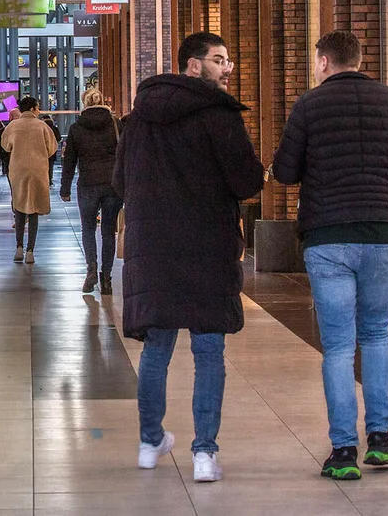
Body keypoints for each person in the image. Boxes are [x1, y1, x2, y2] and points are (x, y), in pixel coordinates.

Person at [113, 31, 266, 483]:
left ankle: (149, 442)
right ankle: (204, 454)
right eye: (219, 60)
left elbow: (121, 182)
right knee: (208, 349)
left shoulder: (137, 120)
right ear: (194, 66)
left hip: (153, 249)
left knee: (156, 349)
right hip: (207, 246)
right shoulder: (220, 117)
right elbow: (246, 182)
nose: (227, 68)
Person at [272, 30, 388, 480]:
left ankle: (342, 451)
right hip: (381, 231)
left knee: (338, 346)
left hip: (328, 235)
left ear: (322, 61)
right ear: (360, 59)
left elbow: (284, 170)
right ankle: (381, 440)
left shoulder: (309, 106)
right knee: (376, 335)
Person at [60, 87, 120, 296]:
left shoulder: (77, 128)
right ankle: (107, 279)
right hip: (112, 185)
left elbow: (69, 161)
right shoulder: (115, 125)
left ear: (85, 104)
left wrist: (64, 188)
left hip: (87, 184)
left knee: (87, 229)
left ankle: (91, 269)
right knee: (108, 231)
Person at [0, 97, 57, 264]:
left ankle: (18, 247)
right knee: (34, 210)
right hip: (38, 170)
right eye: (38, 107)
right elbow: (52, 148)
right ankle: (30, 250)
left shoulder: (13, 126)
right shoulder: (43, 126)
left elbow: (5, 146)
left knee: (19, 207)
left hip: (18, 170)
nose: (39, 110)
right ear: (32, 108)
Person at [42, 114, 61, 186]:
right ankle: (50, 180)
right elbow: (58, 138)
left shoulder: (41, 127)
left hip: (42, 150)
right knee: (50, 165)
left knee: (42, 165)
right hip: (52, 149)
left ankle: (43, 179)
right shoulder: (54, 128)